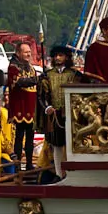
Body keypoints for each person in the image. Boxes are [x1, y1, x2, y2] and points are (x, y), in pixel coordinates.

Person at [38, 45, 82, 178]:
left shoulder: (75, 75)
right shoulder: (47, 75)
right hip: (54, 115)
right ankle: (58, 173)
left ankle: (71, 173)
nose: (57, 58)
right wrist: (47, 107)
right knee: (56, 145)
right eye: (56, 55)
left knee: (71, 144)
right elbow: (41, 95)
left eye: (60, 55)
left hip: (70, 115)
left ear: (66, 57)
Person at [6, 42, 40, 169]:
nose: (28, 54)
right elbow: (19, 82)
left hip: (31, 107)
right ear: (18, 53)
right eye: (26, 52)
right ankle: (18, 165)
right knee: (19, 137)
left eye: (29, 52)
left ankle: (30, 163)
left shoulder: (30, 67)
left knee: (30, 137)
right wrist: (36, 80)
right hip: (20, 105)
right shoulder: (13, 67)